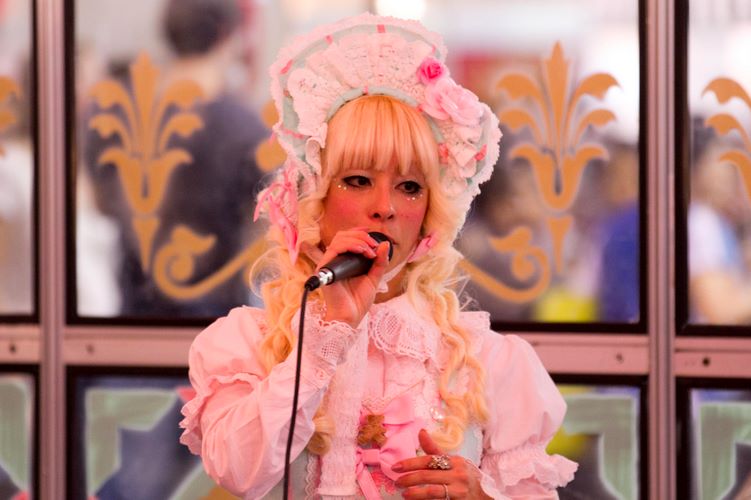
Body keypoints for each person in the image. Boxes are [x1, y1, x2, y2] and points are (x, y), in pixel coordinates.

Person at [180, 13, 577, 499]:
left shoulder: (486, 362)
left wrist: (482, 495)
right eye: (358, 180)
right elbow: (240, 473)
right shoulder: (249, 345)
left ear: (429, 213)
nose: (385, 207)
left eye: (409, 187)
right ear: (315, 197)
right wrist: (324, 339)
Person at [85, 0, 266, 317]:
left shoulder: (111, 111)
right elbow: (261, 233)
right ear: (228, 36)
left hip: (128, 320)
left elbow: (100, 203)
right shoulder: (246, 129)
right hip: (216, 321)